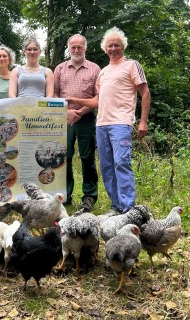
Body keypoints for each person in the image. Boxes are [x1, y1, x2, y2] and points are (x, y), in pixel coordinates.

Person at [66, 27, 151, 214]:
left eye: (117, 45)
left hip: (121, 123)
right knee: (106, 166)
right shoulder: (103, 72)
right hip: (101, 124)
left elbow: (145, 93)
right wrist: (75, 101)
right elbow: (97, 100)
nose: (113, 48)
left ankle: (128, 208)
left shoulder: (132, 65)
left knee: (121, 162)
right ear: (105, 48)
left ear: (123, 47)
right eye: (110, 45)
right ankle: (116, 206)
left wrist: (143, 121)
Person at [54, 34, 100, 212]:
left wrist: (79, 112)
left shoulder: (95, 69)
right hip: (63, 118)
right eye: (73, 47)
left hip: (85, 118)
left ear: (85, 48)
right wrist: (67, 112)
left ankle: (89, 196)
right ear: (68, 48)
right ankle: (65, 195)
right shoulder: (60, 68)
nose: (76, 50)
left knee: (87, 157)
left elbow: (98, 97)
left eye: (79, 47)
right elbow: (55, 94)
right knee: (64, 157)